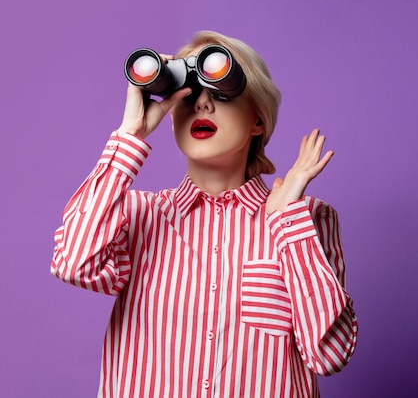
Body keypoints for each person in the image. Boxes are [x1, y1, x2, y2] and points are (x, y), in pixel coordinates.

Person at [50, 30, 357, 398]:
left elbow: (330, 354)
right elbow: (73, 264)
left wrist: (287, 220)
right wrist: (130, 135)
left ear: (258, 120)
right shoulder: (136, 214)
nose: (202, 105)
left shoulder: (308, 219)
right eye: (189, 93)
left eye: (223, 93)